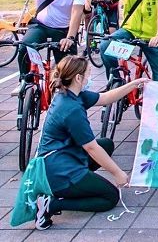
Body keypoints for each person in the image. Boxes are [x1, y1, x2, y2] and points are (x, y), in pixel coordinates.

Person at [35, 55, 148, 230]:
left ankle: (81, 184)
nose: (89, 78)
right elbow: (91, 147)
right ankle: (52, 204)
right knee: (110, 197)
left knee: (106, 144)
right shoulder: (71, 109)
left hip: (62, 157)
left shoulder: (70, 94)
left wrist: (134, 84)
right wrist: (117, 173)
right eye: (88, 74)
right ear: (78, 78)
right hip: (59, 171)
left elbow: (105, 98)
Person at [1, 0, 84, 92]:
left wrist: (70, 38)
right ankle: (25, 81)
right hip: (40, 26)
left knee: (69, 72)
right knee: (24, 48)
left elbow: (76, 12)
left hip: (63, 30)